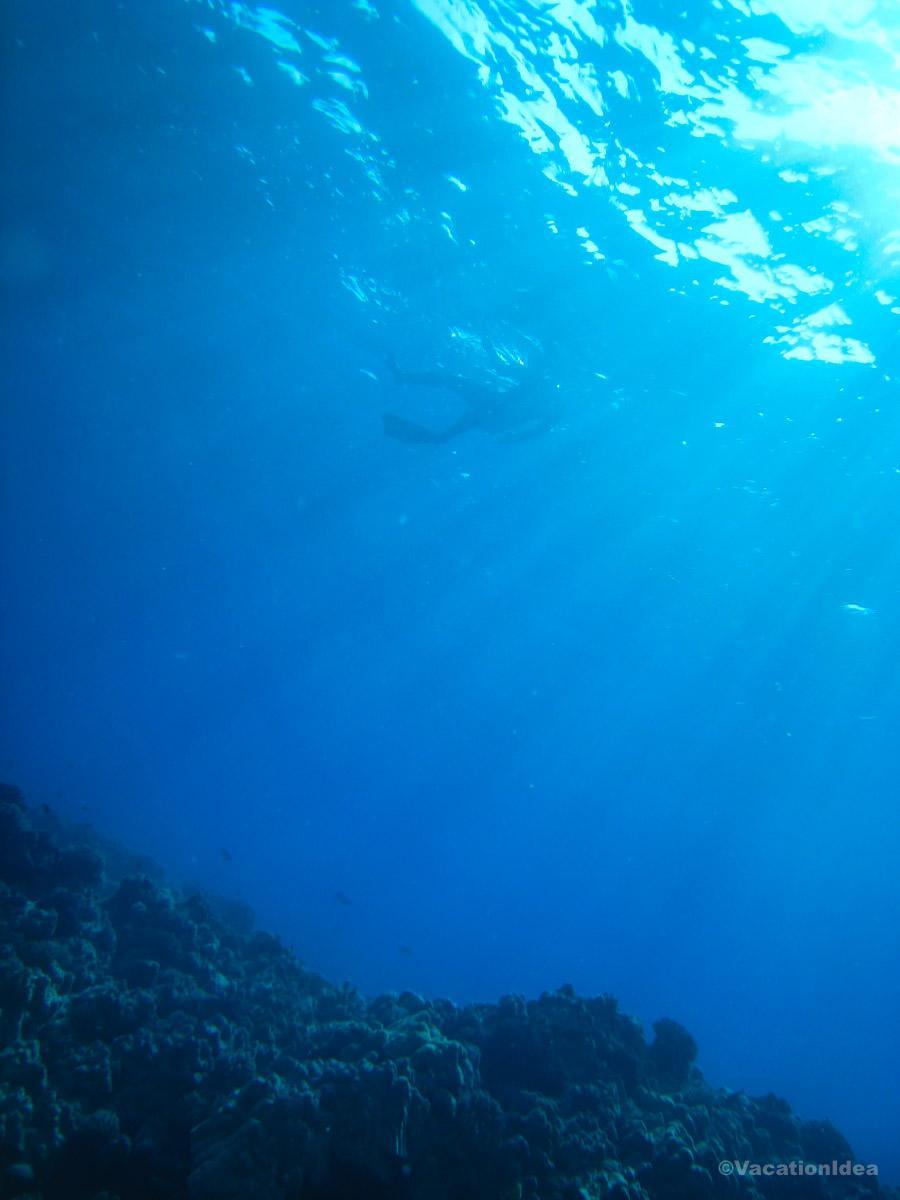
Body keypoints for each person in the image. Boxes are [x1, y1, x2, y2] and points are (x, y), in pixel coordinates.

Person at [383, 355, 557, 444]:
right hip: (496, 404)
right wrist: (490, 351)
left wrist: (514, 436)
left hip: (499, 416)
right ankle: (403, 377)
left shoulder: (553, 402)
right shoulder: (539, 379)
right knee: (453, 381)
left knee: (467, 413)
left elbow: (541, 428)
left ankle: (438, 438)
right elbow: (503, 369)